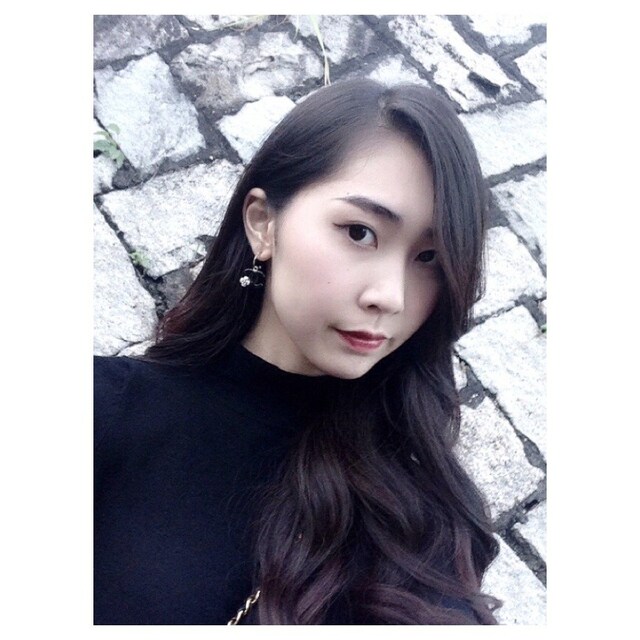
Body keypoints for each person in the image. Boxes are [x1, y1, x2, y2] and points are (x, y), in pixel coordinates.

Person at [94, 78, 501, 625]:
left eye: (429, 259)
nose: (391, 297)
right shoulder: (108, 413)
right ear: (264, 223)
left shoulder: (426, 515)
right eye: (359, 233)